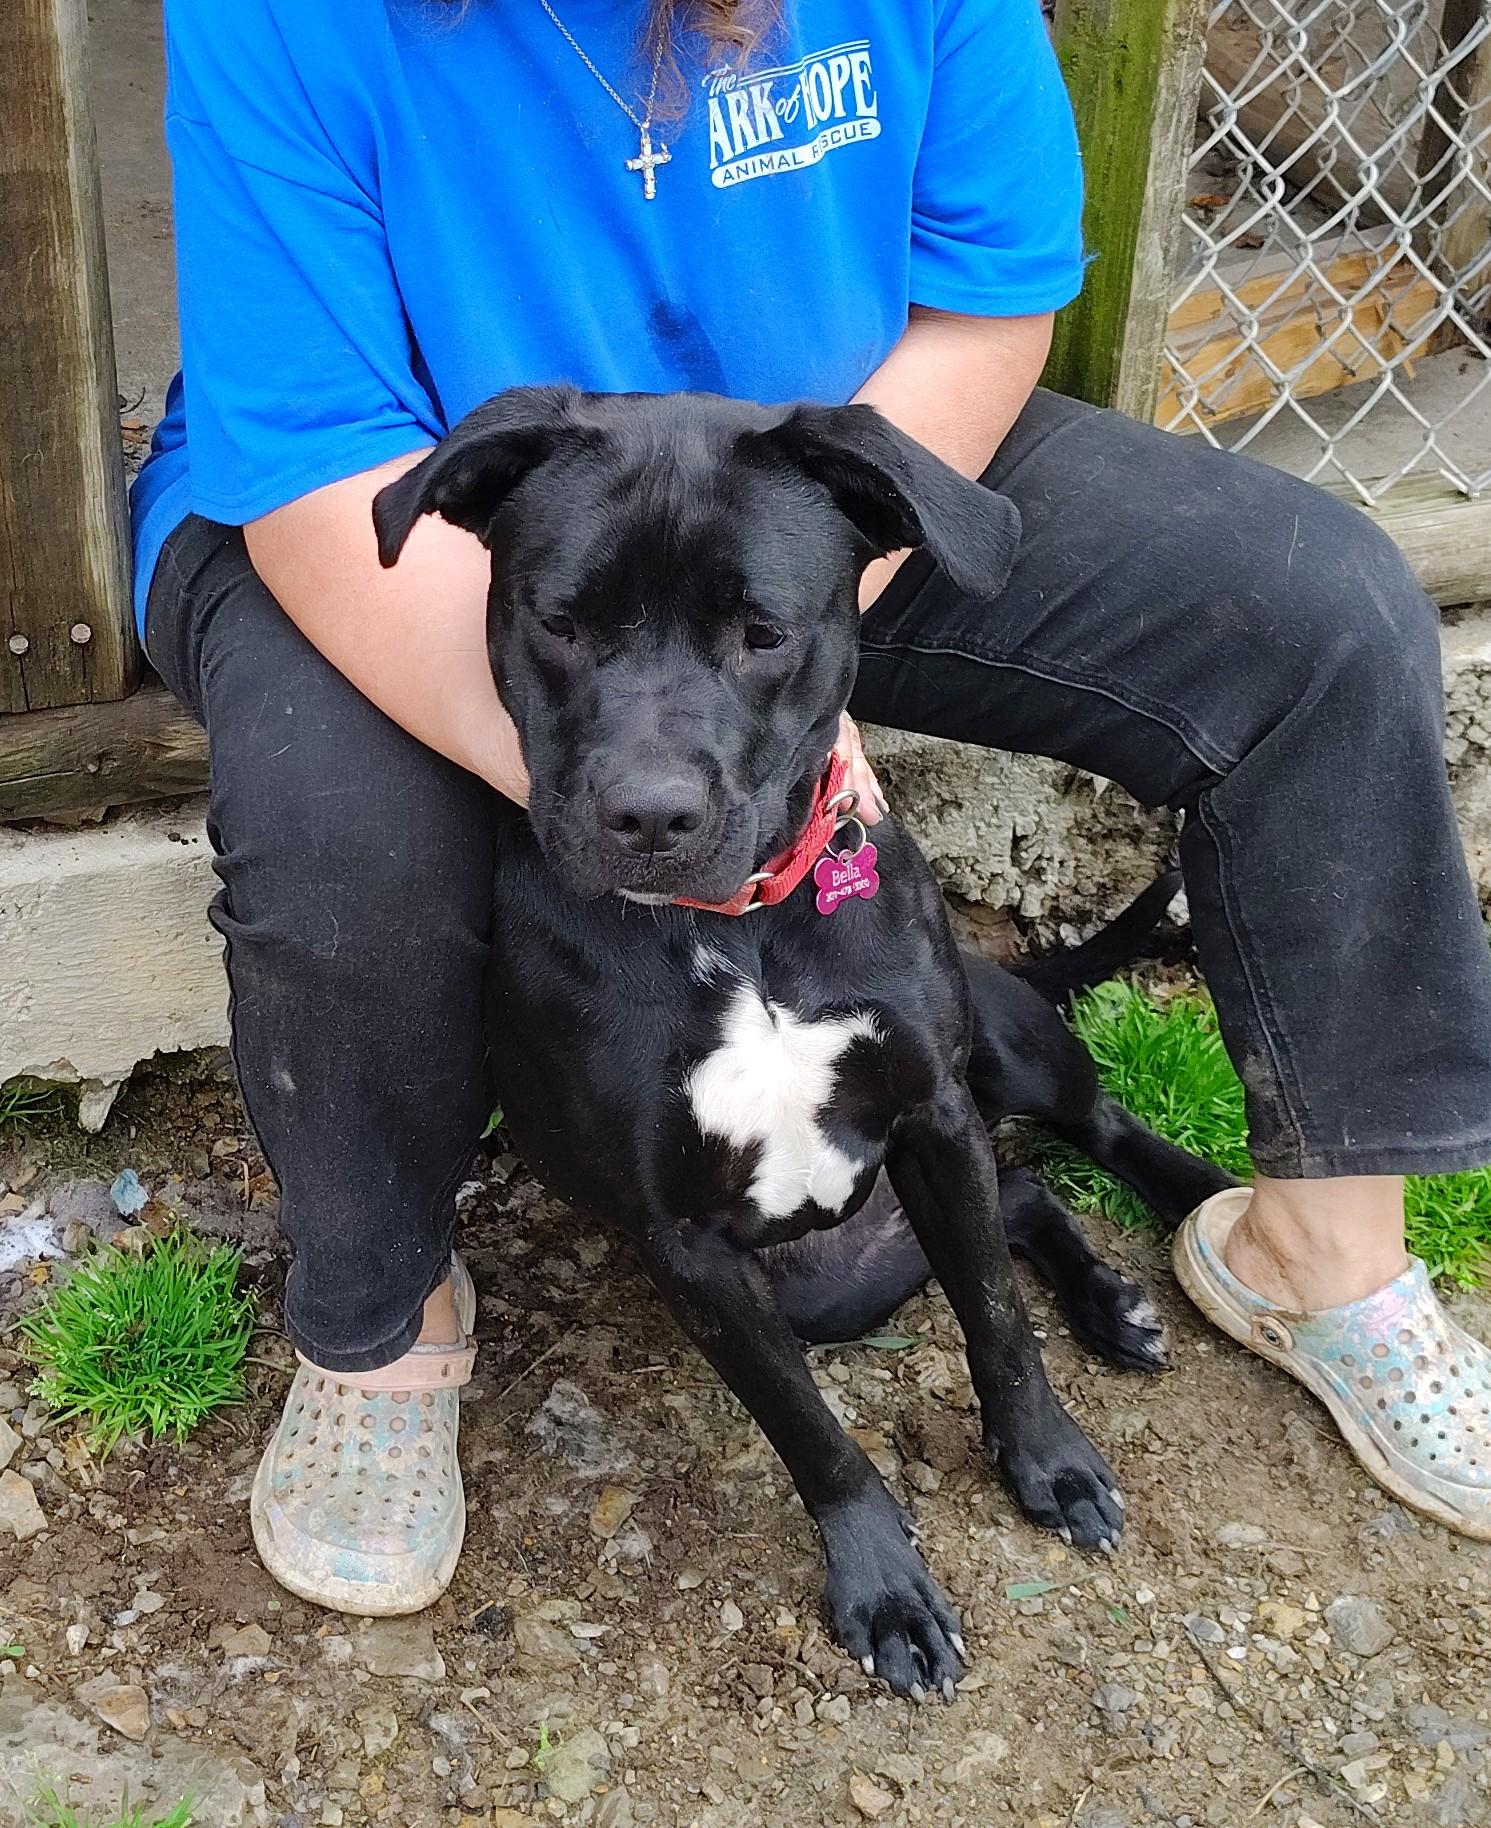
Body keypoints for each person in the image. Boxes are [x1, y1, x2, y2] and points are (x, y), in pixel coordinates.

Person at [133, 0, 1491, 1615]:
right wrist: (647, 788)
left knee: (1321, 614)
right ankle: (380, 1330)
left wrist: (792, 632)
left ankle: (1316, 1254)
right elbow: (314, 462)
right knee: (346, 838)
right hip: (421, 497)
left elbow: (985, 299)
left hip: (825, 462)